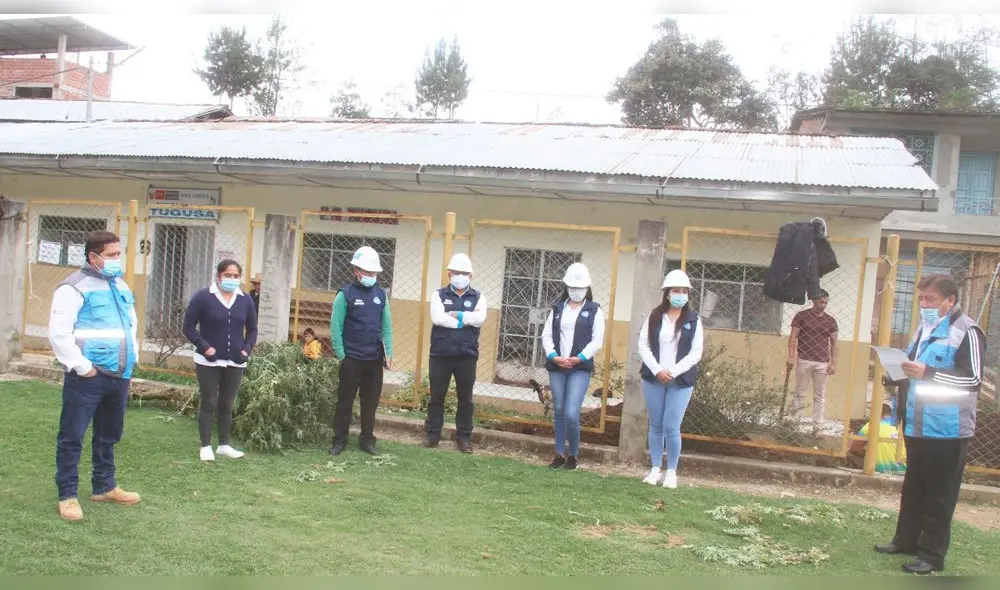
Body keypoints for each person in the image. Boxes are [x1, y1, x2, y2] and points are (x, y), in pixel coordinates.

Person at [874, 274, 985, 575]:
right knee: (914, 488)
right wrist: (897, 372)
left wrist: (929, 373)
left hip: (948, 428)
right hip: (917, 423)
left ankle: (932, 556)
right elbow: (914, 367)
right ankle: (906, 540)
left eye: (931, 300)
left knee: (939, 493)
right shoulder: (925, 327)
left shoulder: (968, 332)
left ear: (950, 301)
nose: (924, 305)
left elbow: (973, 379)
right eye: (922, 299)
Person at [48, 230, 141, 521]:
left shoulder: (120, 286)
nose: (117, 260)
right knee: (72, 435)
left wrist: (132, 357)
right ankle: (67, 495)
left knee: (109, 434)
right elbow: (58, 333)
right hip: (88, 376)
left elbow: (131, 325)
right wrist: (81, 366)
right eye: (112, 255)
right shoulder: (73, 288)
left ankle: (104, 486)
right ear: (93, 257)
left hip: (119, 375)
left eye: (118, 254)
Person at [183, 259, 258, 462]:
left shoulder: (245, 300)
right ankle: (205, 446)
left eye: (235, 276)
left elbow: (252, 329)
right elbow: (188, 327)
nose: (232, 279)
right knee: (209, 402)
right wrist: (204, 346)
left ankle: (224, 444)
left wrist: (246, 349)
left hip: (236, 360)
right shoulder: (203, 297)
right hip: (208, 360)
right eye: (228, 275)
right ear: (219, 276)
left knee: (227, 403)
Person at [637, 269, 704, 489]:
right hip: (654, 378)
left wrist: (673, 372)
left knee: (671, 426)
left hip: (681, 381)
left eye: (684, 291)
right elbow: (643, 346)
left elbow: (696, 352)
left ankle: (672, 472)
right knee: (656, 425)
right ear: (667, 293)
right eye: (676, 290)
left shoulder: (694, 320)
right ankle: (655, 468)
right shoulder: (654, 317)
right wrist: (657, 370)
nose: (681, 294)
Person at [329, 246, 393, 456]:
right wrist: (342, 355)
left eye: (374, 273)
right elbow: (335, 327)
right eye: (367, 272)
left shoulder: (381, 295)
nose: (371, 276)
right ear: (357, 270)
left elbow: (386, 327)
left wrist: (388, 352)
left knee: (370, 404)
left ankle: (367, 440)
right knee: (345, 402)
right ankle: (339, 440)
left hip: (374, 360)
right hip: (351, 360)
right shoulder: (344, 295)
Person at [541, 262, 605, 470]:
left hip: (579, 367)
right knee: (559, 409)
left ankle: (574, 455)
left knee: (571, 412)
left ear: (587, 288)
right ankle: (559, 453)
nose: (577, 291)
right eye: (573, 287)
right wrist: (553, 356)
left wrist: (579, 357)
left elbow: (597, 340)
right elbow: (547, 335)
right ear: (566, 287)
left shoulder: (594, 310)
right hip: (557, 365)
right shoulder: (557, 308)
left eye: (581, 288)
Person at [424, 253, 488, 453]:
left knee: (465, 399)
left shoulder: (478, 297)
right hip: (441, 354)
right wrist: (465, 321)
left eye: (464, 273)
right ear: (449, 274)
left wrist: (457, 315)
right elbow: (438, 318)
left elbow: (480, 319)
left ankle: (464, 438)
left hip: (466, 355)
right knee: (437, 396)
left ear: (471, 276)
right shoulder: (438, 295)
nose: (460, 276)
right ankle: (432, 435)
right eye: (456, 272)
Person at [786, 289, 839, 435]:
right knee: (799, 393)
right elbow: (793, 337)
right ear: (814, 300)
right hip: (804, 359)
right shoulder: (802, 316)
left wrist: (833, 363)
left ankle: (817, 428)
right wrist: (791, 356)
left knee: (820, 396)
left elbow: (834, 343)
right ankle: (794, 425)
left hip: (822, 362)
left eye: (826, 302)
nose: (823, 305)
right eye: (821, 301)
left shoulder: (831, 321)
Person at [850, 402, 906, 474]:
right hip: (903, 472)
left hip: (882, 471)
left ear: (876, 413)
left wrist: (868, 453)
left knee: (851, 455)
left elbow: (854, 449)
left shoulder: (871, 425)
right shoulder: (899, 428)